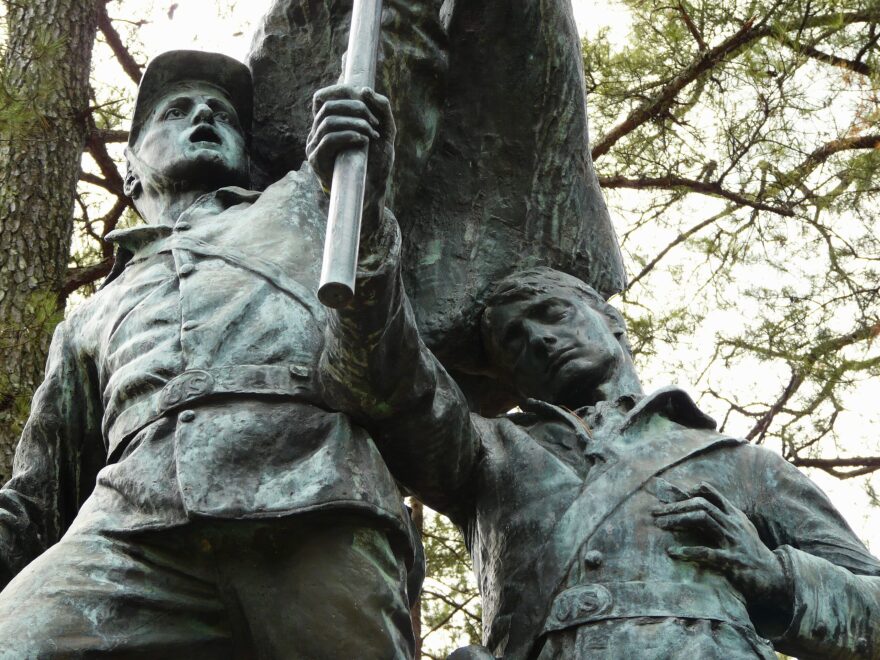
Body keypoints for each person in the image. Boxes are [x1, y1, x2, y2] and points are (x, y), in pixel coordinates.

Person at [0, 50, 420, 659]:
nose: (204, 116)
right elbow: (38, 496)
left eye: (221, 113)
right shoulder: (88, 316)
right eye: (176, 111)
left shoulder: (309, 201)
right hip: (134, 529)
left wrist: (364, 196)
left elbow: (385, 360)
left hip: (314, 507)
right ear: (131, 169)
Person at [320, 265, 880, 659]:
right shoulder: (485, 451)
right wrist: (366, 237)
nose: (538, 338)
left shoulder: (743, 464)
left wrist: (775, 575)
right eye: (513, 341)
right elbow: (393, 386)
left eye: (552, 313)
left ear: (610, 319)